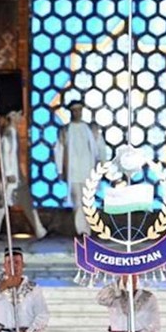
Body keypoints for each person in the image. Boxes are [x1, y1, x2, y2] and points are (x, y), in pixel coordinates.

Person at [0, 109, 48, 241]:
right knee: (1, 205)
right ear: (12, 116)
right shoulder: (8, 134)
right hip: (10, 177)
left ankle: (40, 231)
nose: (21, 117)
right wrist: (8, 173)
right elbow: (5, 155)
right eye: (19, 115)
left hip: (18, 177)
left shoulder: (13, 133)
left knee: (27, 203)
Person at [54, 98, 103, 236]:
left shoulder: (91, 129)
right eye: (74, 110)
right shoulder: (65, 130)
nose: (77, 113)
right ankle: (82, 231)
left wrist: (103, 165)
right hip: (73, 172)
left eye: (79, 110)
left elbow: (100, 148)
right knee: (77, 202)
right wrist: (59, 170)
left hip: (88, 171)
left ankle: (89, 229)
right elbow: (59, 151)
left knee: (88, 202)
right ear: (71, 112)